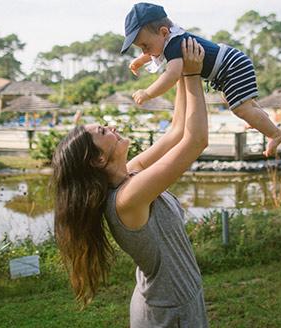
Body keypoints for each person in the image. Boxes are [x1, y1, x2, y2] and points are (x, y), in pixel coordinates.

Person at [52, 38, 209, 327]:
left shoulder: (131, 175)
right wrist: (193, 75)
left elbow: (176, 132)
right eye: (103, 131)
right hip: (167, 313)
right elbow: (195, 141)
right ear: (98, 160)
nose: (111, 126)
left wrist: (183, 70)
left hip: (178, 299)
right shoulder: (128, 198)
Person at [121, 2, 281, 157]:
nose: (145, 52)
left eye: (145, 46)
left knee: (239, 109)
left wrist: (148, 93)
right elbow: (155, 52)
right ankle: (257, 119)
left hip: (231, 66)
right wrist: (140, 61)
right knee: (237, 103)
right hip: (230, 63)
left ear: (164, 32)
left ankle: (275, 134)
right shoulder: (171, 40)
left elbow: (172, 75)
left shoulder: (174, 45)